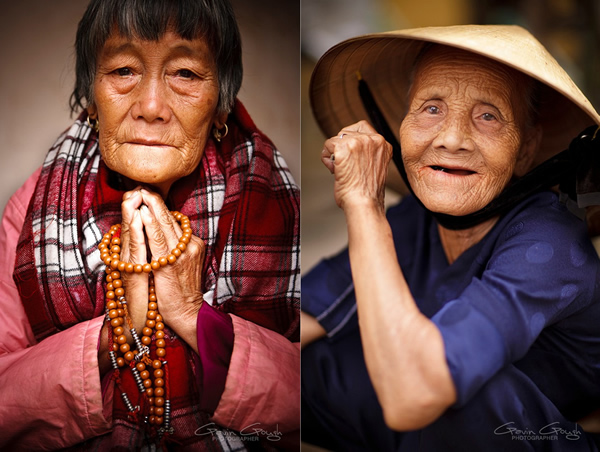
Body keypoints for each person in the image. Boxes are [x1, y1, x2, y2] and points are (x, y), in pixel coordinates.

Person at [0, 0, 300, 450]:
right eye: (123, 70)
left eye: (185, 74)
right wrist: (117, 333)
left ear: (220, 107)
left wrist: (191, 315)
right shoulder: (33, 205)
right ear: (93, 99)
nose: (152, 106)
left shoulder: (274, 201)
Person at [301, 24, 600, 451]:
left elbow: (413, 397)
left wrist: (364, 206)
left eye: (488, 116)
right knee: (309, 368)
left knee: (452, 394)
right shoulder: (413, 222)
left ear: (527, 148)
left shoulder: (549, 244)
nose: (453, 139)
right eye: (431, 109)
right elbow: (302, 320)